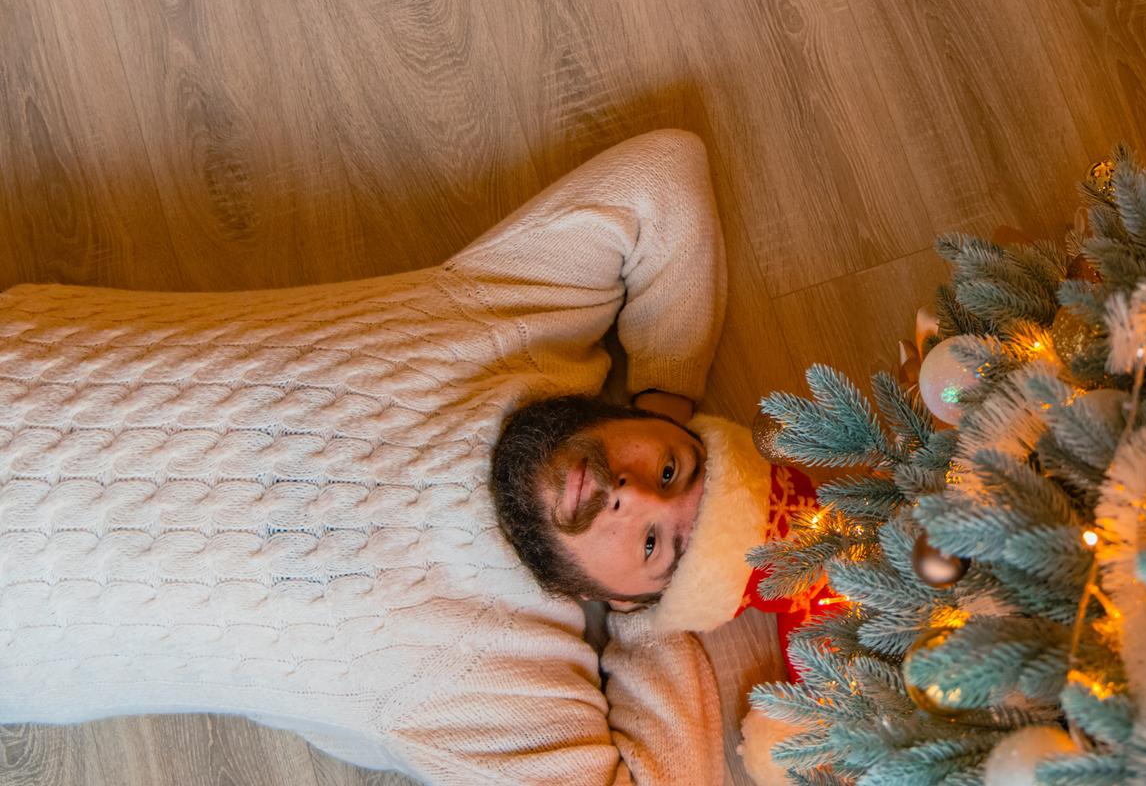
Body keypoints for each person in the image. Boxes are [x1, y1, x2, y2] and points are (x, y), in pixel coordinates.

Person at [0, 129, 769, 784]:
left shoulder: (499, 682)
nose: (629, 494)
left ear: (629, 600)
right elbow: (664, 173)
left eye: (651, 543)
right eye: (672, 467)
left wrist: (661, 626)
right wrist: (670, 388)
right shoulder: (519, 328)